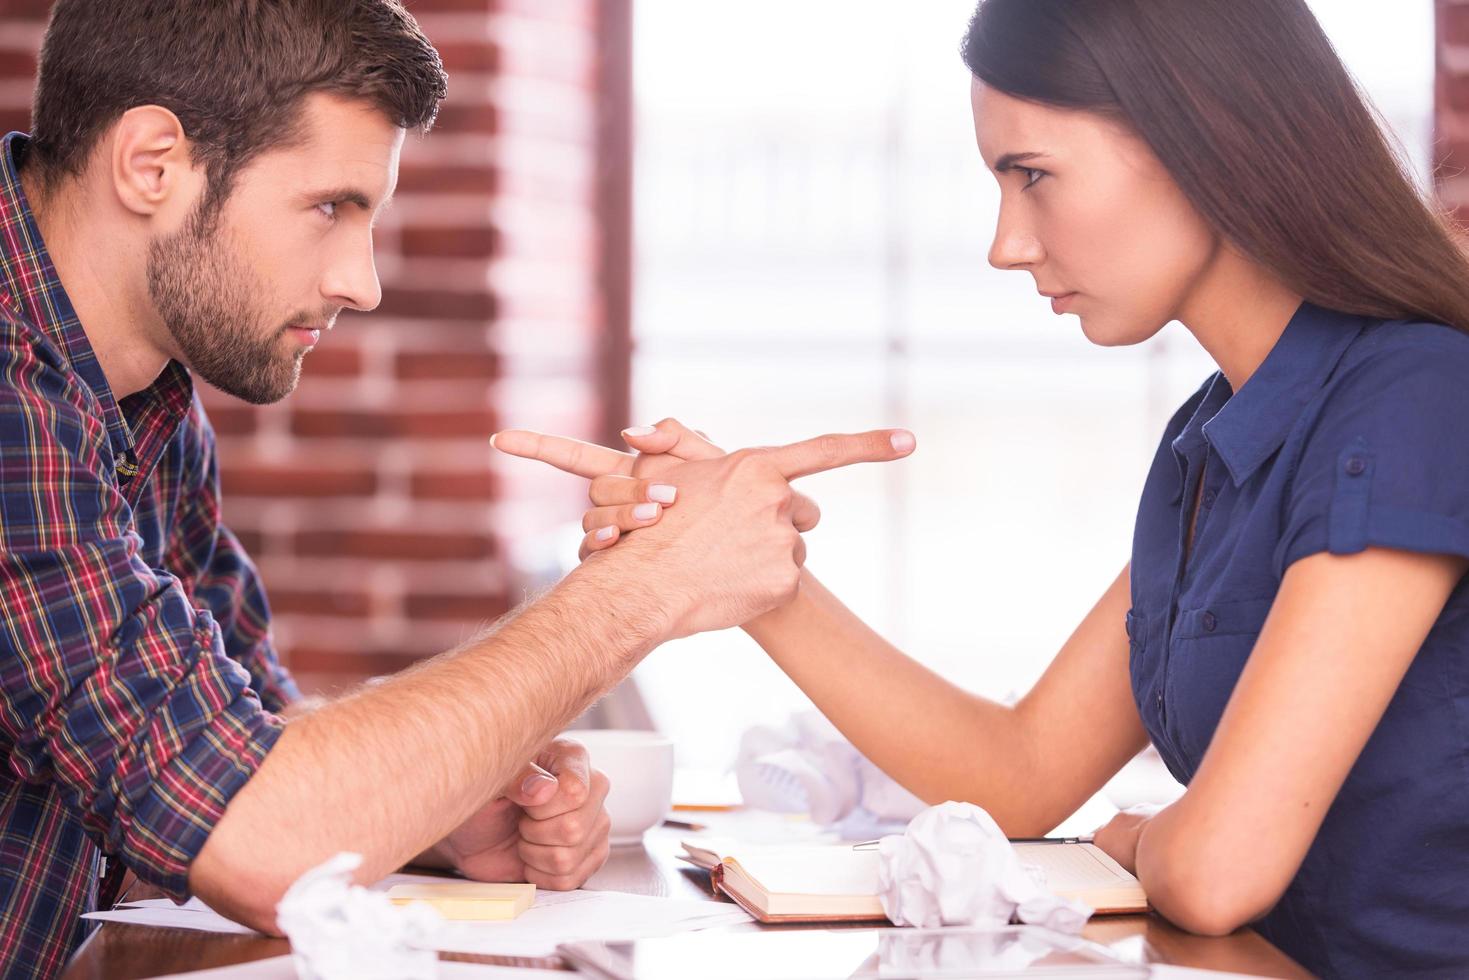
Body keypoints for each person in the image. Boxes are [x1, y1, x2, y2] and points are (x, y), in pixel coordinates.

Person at [493, 1, 1469, 976]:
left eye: (1032, 174)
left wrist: (1140, 838)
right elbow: (1020, 773)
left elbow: (1217, 874)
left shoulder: (1412, 394)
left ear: (1202, 133)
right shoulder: (1204, 445)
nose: (1005, 244)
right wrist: (752, 564)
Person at [0, 2, 914, 976]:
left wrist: (433, 803)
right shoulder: (16, 390)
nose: (362, 280)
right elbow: (254, 832)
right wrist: (648, 585)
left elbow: (229, 750)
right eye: (329, 207)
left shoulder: (139, 397)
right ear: (151, 164)